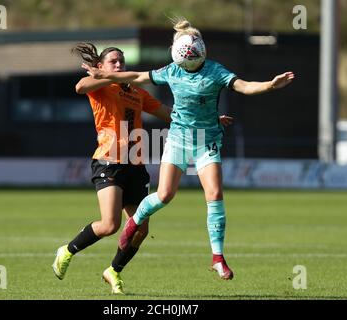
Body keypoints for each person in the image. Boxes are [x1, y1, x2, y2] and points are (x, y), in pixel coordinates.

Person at [82, 18, 295, 281]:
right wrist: (106, 75)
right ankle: (135, 221)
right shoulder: (173, 70)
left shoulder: (216, 71)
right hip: (178, 139)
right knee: (165, 195)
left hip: (207, 140)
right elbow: (137, 76)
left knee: (215, 193)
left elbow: (244, 86)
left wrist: (270, 85)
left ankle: (217, 258)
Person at [52, 42, 234, 294]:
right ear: (101, 66)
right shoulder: (101, 87)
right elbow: (80, 86)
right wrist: (101, 76)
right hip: (109, 160)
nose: (119, 65)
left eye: (121, 62)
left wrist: (210, 118)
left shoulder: (136, 91)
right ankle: (67, 250)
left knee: (141, 229)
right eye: (113, 62)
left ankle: (114, 270)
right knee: (110, 224)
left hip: (135, 164)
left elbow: (170, 113)